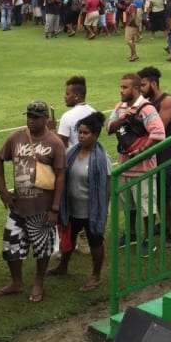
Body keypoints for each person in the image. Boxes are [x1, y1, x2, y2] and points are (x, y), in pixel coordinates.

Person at [0, 101, 66, 303]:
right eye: (29, 116)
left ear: (46, 119)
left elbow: (60, 176)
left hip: (42, 207)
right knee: (11, 246)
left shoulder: (55, 142)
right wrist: (3, 191)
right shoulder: (17, 136)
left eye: (36, 116)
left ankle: (38, 283)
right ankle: (16, 282)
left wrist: (55, 208)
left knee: (42, 248)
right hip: (18, 206)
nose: (31, 120)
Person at [107, 73, 166, 257]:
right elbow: (109, 127)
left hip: (143, 169)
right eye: (120, 87)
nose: (121, 90)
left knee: (147, 207)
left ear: (135, 88)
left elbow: (158, 133)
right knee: (129, 205)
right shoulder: (121, 107)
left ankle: (147, 239)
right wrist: (123, 117)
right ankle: (131, 234)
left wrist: (141, 152)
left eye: (125, 87)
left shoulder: (146, 109)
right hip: (125, 166)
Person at [54, 112, 110, 292]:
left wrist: (104, 209)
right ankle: (63, 266)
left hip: (91, 210)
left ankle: (96, 275)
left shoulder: (102, 159)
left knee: (95, 241)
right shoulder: (72, 151)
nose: (81, 136)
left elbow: (106, 186)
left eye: (85, 133)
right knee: (69, 238)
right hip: (72, 207)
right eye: (79, 132)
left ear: (95, 135)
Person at [139, 66, 171, 248]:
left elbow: (158, 129)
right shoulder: (146, 103)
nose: (140, 89)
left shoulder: (167, 101)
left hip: (165, 156)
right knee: (155, 195)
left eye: (143, 85)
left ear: (153, 83)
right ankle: (163, 225)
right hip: (152, 157)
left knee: (166, 195)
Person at [57, 75, 98, 149]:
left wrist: (51, 129)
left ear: (76, 96)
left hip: (73, 159)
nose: (65, 97)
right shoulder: (94, 112)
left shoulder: (67, 117)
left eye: (67, 94)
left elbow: (60, 145)